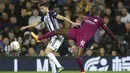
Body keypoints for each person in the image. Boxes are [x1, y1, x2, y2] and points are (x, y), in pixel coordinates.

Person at [32, 5, 121, 73]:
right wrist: (78, 25)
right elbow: (83, 23)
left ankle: (82, 71)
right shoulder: (89, 16)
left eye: (93, 9)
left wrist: (116, 41)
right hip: (77, 32)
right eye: (91, 8)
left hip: (83, 38)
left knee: (77, 57)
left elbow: (108, 31)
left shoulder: (100, 20)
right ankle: (39, 37)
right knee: (58, 31)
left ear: (98, 11)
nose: (91, 9)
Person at [21, 2, 78, 73]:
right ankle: (54, 71)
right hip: (53, 37)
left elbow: (62, 17)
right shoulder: (44, 17)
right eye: (40, 9)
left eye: (42, 9)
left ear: (46, 7)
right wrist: (26, 26)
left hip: (57, 35)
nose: (41, 10)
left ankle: (59, 66)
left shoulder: (51, 13)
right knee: (50, 55)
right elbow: (37, 23)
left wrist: (72, 23)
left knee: (47, 52)